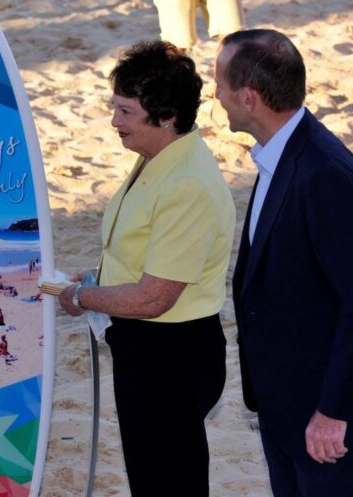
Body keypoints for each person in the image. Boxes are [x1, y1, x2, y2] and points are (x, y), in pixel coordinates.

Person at [214, 29, 353, 496]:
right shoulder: (283, 156)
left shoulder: (325, 174)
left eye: (221, 84)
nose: (216, 95)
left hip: (329, 421)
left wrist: (333, 412)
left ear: (248, 98)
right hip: (289, 406)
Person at [58, 40, 234, 497]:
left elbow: (154, 297)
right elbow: (141, 247)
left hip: (171, 355)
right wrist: (96, 277)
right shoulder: (159, 158)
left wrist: (81, 298)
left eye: (125, 112)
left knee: (170, 480)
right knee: (154, 474)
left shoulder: (186, 183)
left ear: (167, 115)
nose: (114, 122)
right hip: (150, 348)